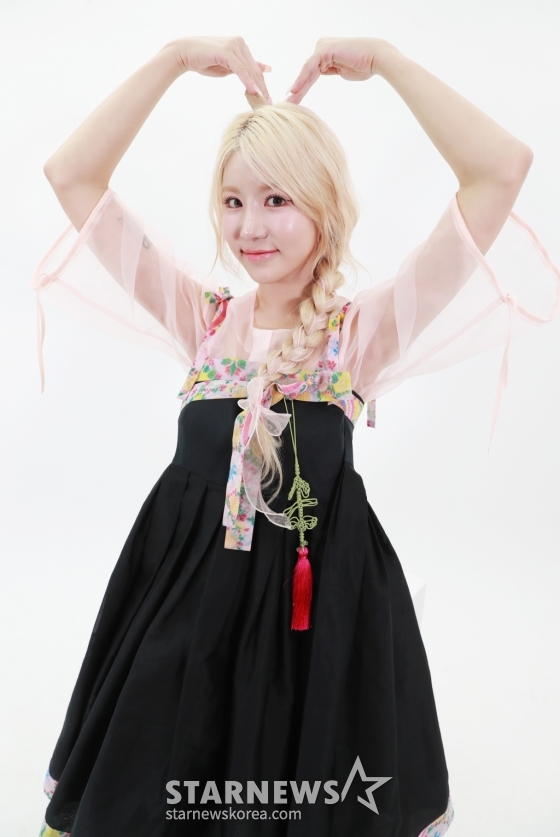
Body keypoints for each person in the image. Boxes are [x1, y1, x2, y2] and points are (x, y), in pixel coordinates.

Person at [33, 35, 559, 837]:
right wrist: (173, 59)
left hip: (309, 622)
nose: (250, 227)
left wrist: (388, 62)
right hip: (185, 605)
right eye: (233, 200)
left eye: (277, 199)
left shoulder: (362, 333)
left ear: (324, 207)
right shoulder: (203, 318)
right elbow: (71, 175)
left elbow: (502, 169)